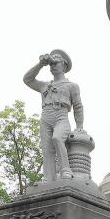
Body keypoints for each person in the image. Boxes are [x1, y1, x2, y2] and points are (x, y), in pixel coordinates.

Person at [23, 49, 84, 181]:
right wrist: (40, 64)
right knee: (47, 149)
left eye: (56, 61)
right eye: (52, 63)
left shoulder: (72, 86)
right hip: (45, 117)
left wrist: (79, 126)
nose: (53, 64)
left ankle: (66, 171)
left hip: (61, 117)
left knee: (57, 138)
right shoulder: (44, 85)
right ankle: (48, 178)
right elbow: (27, 79)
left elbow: (78, 106)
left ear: (64, 65)